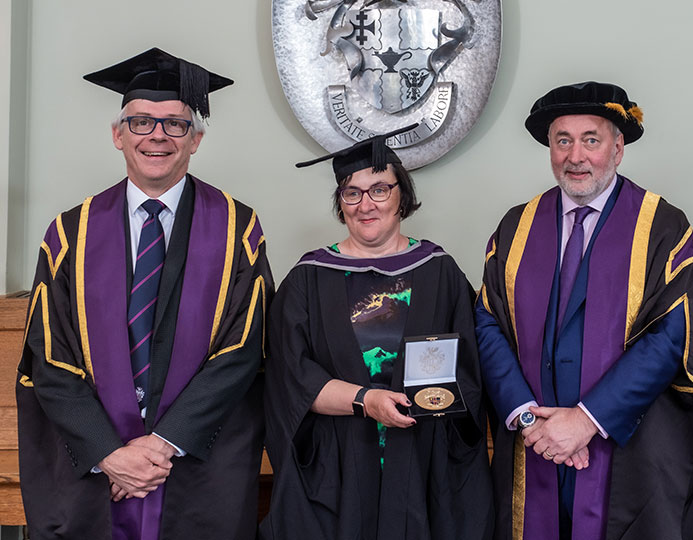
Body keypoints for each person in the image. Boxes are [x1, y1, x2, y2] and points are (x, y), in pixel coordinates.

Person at [16, 48, 274, 540]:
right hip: (96, 467)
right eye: (140, 122)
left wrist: (162, 445)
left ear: (196, 139)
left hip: (193, 462)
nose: (157, 136)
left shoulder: (238, 228)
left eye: (175, 125)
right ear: (117, 135)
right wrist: (110, 453)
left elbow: (244, 348)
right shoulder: (69, 234)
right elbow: (49, 358)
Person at [476, 81, 693, 540]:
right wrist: (527, 417)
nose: (575, 156)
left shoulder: (662, 225)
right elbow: (488, 322)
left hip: (626, 446)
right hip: (536, 443)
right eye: (563, 140)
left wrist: (587, 419)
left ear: (618, 148)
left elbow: (672, 336)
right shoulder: (516, 226)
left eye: (591, 140)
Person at [260, 126, 494, 540]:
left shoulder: (440, 272)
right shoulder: (308, 279)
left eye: (380, 189)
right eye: (352, 192)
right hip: (338, 467)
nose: (365, 204)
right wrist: (366, 401)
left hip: (426, 463)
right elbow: (289, 378)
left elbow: (472, 372)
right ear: (341, 203)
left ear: (401, 194)